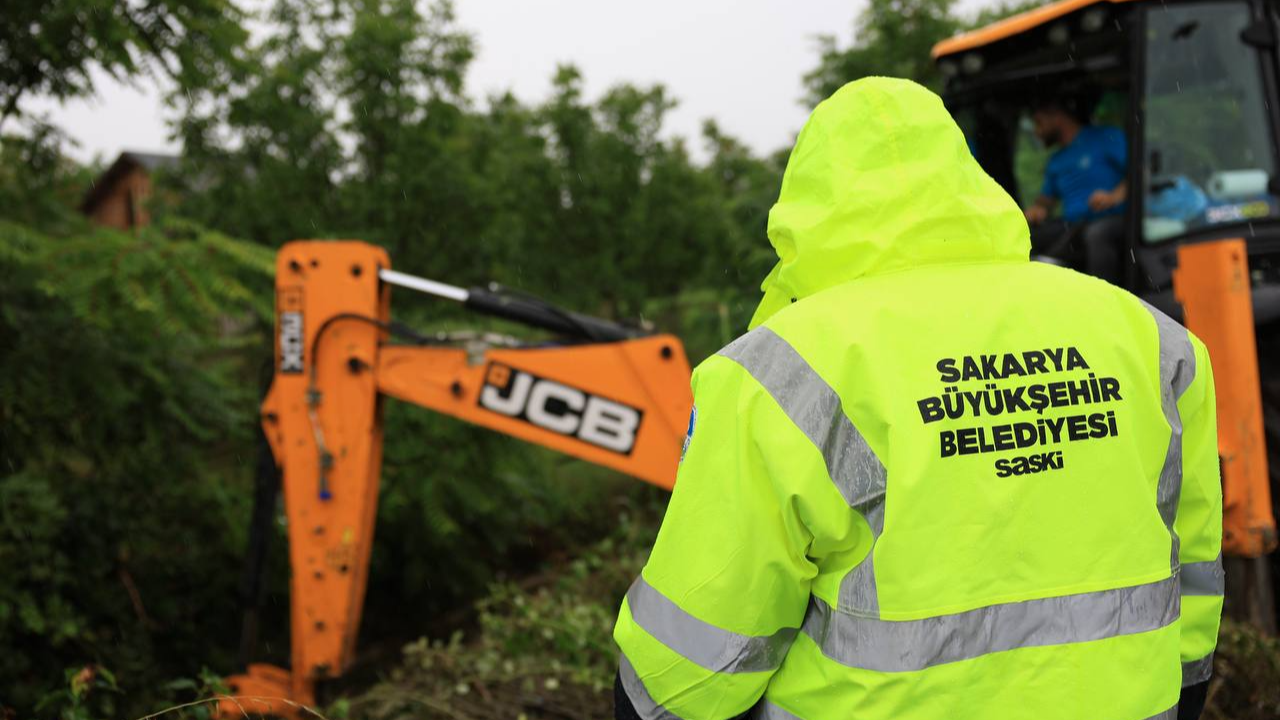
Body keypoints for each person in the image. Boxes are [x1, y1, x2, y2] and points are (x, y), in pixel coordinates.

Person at [613, 78, 1222, 720]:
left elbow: (688, 672)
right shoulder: (1151, 339)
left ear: (807, 204)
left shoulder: (774, 373)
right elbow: (1195, 568)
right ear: (968, 176)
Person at [1024, 95, 1128, 280]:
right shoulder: (1056, 161)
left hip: (1114, 219)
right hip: (1073, 226)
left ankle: (1105, 298)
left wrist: (1114, 196)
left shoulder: (1106, 137)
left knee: (1097, 234)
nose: (1037, 132)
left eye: (1039, 123)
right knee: (1027, 239)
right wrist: (1037, 210)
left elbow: (1139, 172)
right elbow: (1045, 200)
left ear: (1057, 116)